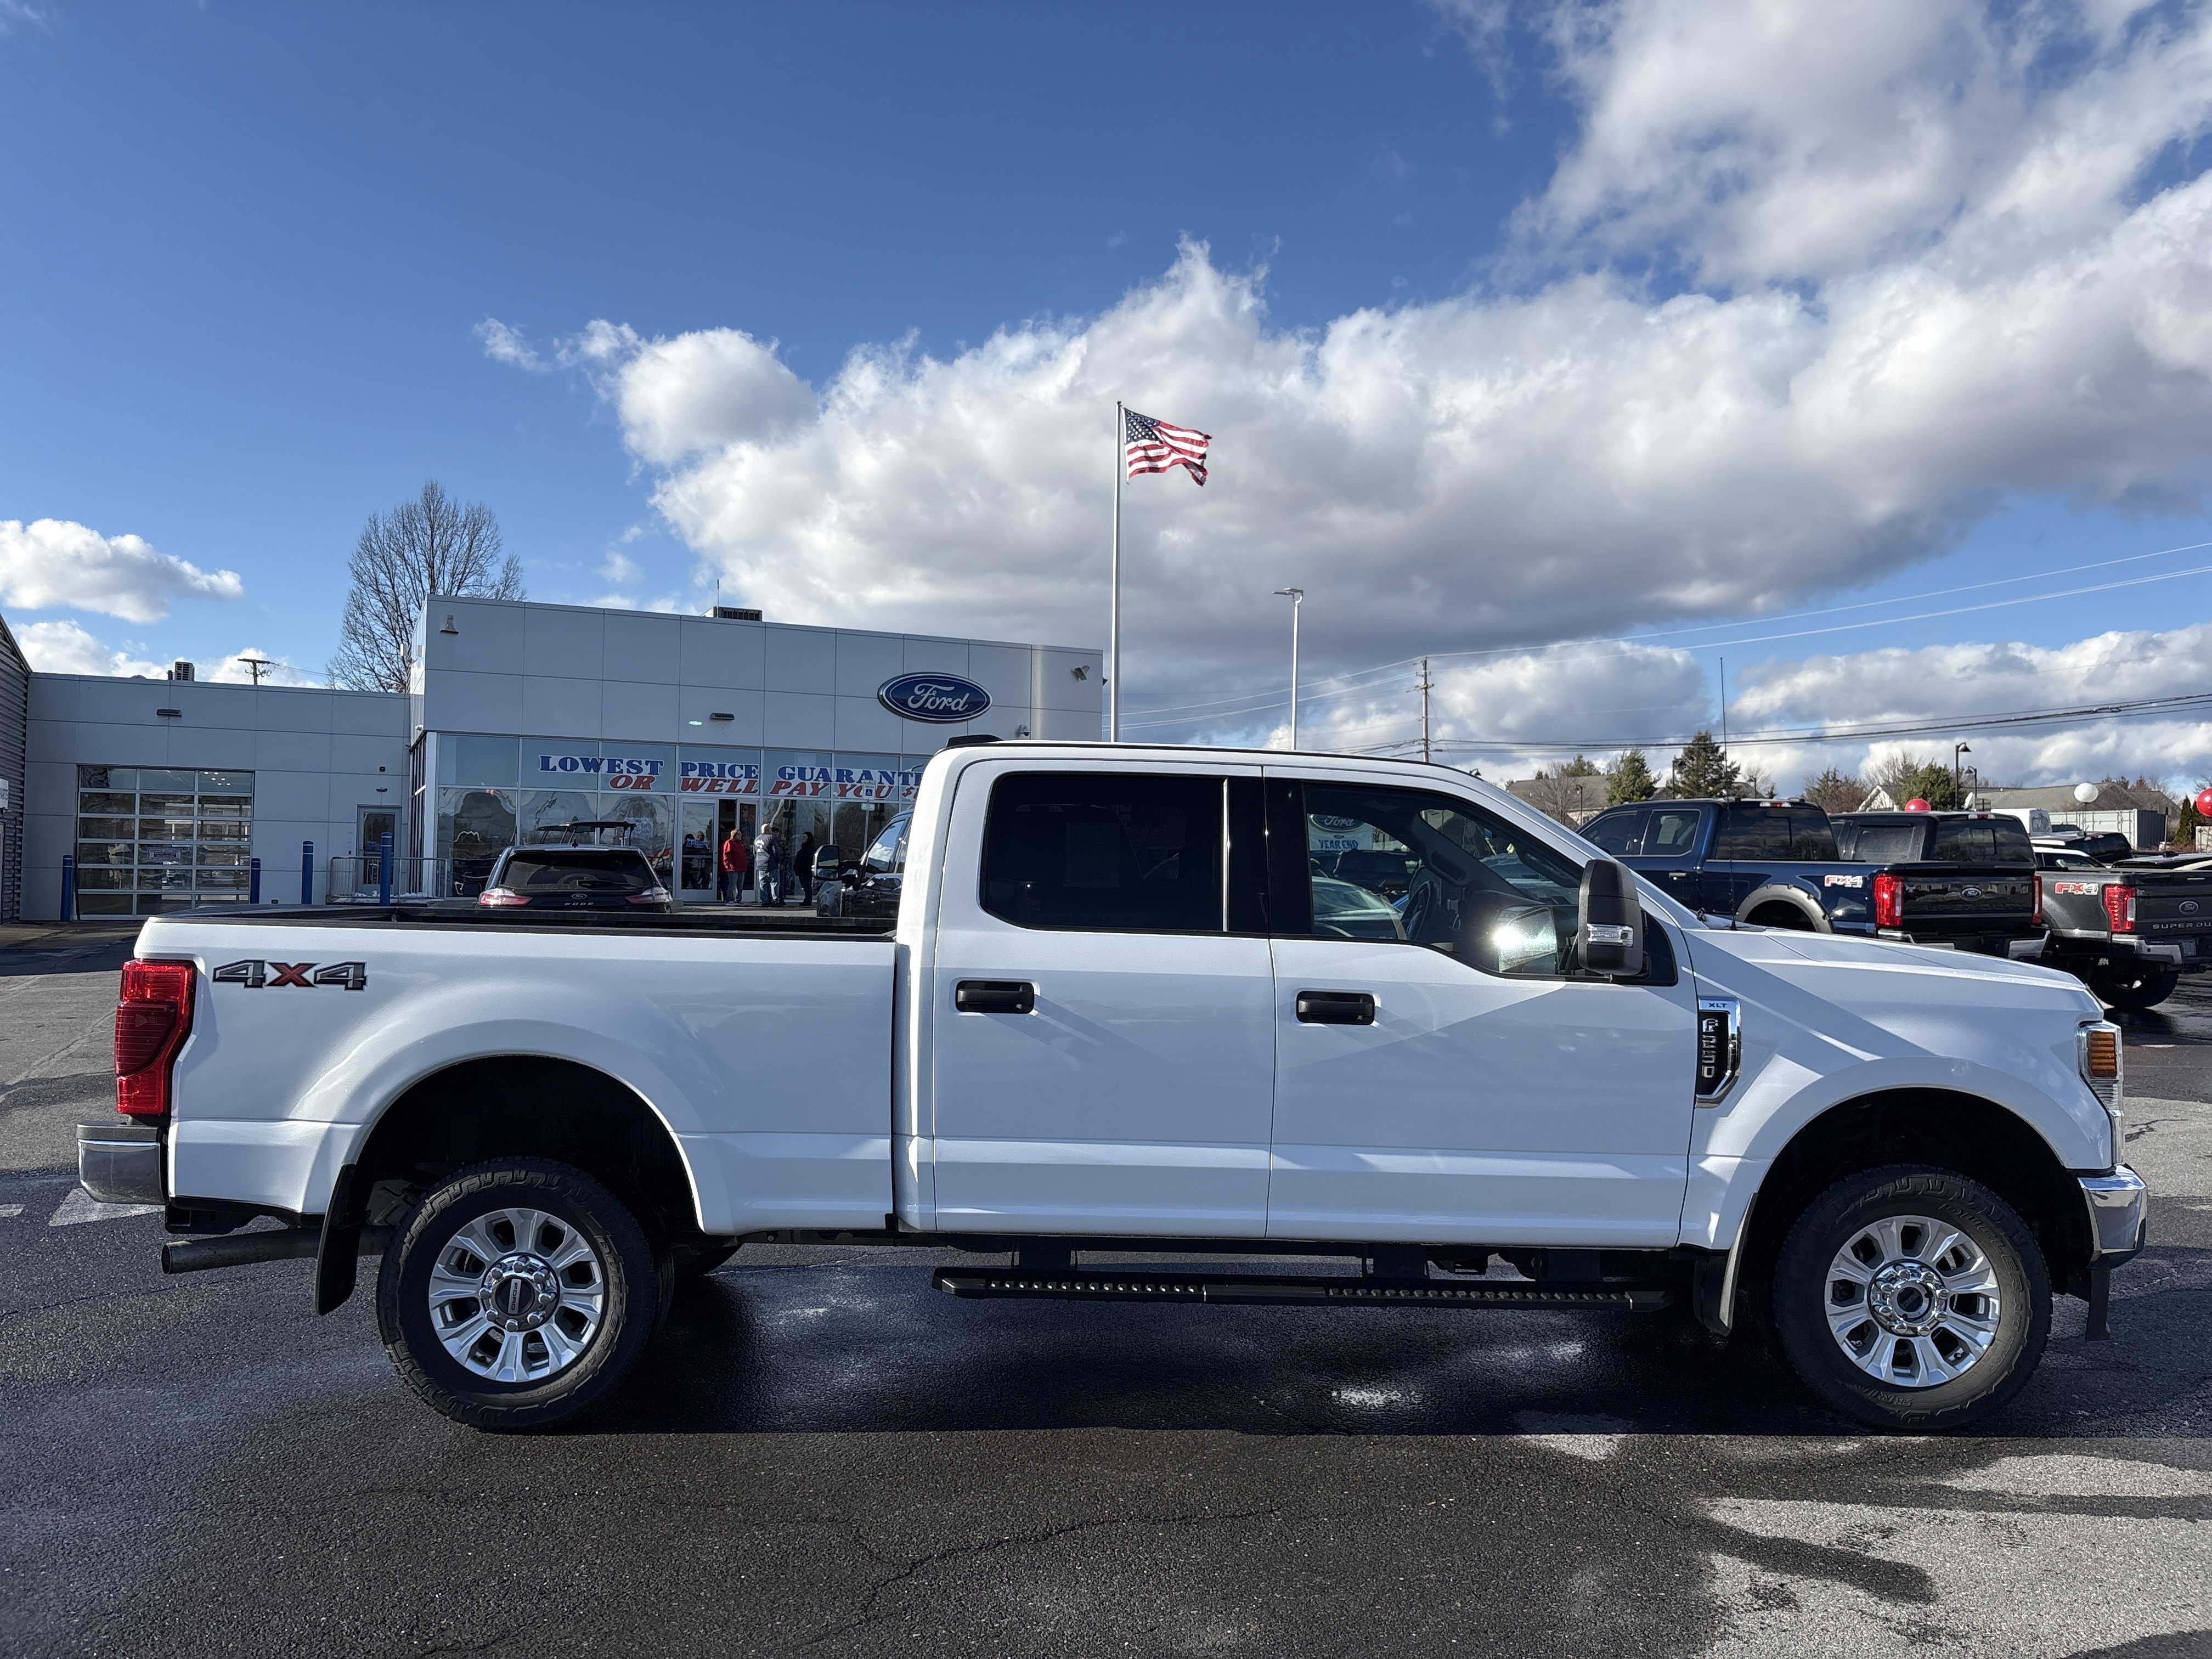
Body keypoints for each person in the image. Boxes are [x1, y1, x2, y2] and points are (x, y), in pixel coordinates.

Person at [753, 821, 783, 906]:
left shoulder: (757, 839)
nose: (771, 830)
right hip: (771, 865)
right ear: (767, 830)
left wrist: (758, 861)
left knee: (763, 884)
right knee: (774, 883)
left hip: (761, 865)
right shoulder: (771, 838)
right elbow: (776, 851)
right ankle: (775, 901)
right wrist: (778, 862)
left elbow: (755, 853)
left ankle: (765, 901)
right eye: (770, 829)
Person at [718, 827, 749, 904]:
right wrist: (727, 866)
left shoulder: (741, 844)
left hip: (742, 867)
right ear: (734, 835)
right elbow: (726, 856)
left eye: (741, 835)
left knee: (740, 885)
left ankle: (739, 899)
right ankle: (730, 899)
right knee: (732, 884)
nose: (740, 836)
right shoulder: (729, 843)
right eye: (738, 834)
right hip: (733, 868)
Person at [794, 832, 817, 907]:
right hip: (803, 871)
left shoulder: (810, 848)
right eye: (803, 838)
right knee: (805, 886)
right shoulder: (804, 848)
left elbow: (807, 860)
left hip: (806, 871)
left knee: (807, 886)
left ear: (808, 839)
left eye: (805, 838)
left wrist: (801, 868)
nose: (803, 839)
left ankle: (808, 900)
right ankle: (807, 900)